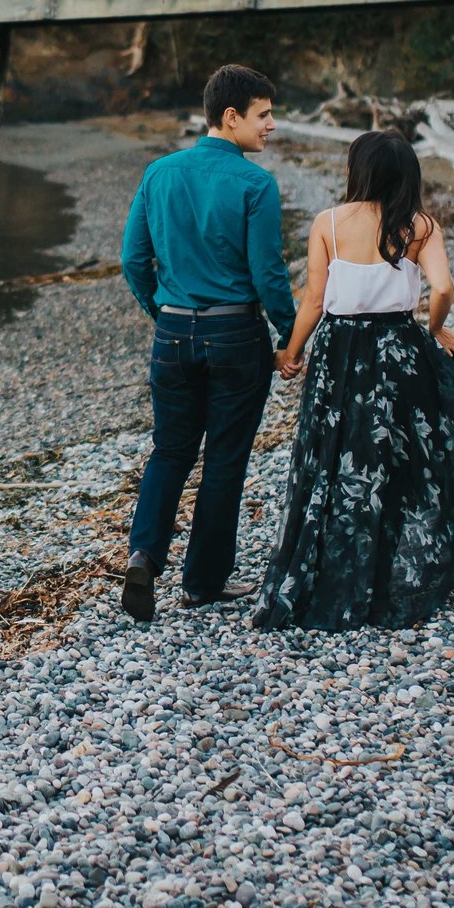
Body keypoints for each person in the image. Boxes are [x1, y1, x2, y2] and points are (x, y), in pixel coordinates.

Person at [253, 128, 454, 631]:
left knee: (335, 455)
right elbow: (444, 288)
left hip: (340, 353)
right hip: (397, 348)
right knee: (402, 455)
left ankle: (337, 563)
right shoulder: (421, 226)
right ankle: (396, 565)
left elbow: (314, 300)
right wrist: (433, 330)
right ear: (406, 176)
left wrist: (291, 351)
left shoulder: (328, 222)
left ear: (357, 171)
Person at [117, 64, 297, 622]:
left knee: (170, 450)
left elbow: (132, 260)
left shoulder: (159, 172)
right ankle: (203, 582)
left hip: (173, 333)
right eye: (264, 115)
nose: (272, 126)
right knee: (224, 459)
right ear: (231, 116)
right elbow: (268, 275)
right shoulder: (255, 184)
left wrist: (162, 312)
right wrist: (292, 336)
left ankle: (144, 553)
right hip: (235, 335)